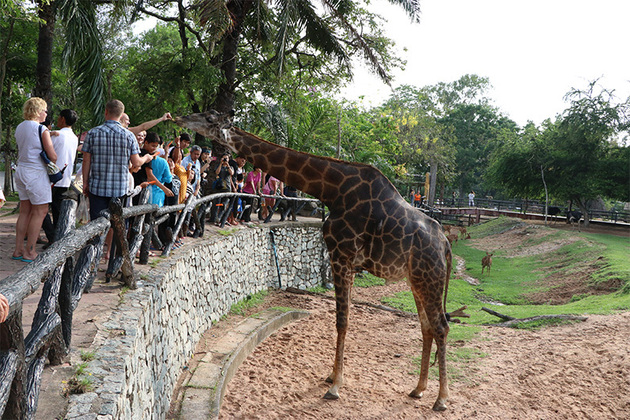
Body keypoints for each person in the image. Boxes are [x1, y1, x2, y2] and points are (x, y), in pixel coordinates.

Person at [82, 100, 153, 257]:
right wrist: (146, 158)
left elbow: (86, 160)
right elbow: (136, 162)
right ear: (121, 115)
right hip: (119, 189)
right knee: (117, 225)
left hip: (97, 187)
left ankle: (93, 256)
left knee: (96, 225)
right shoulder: (129, 136)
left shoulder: (93, 133)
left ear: (106, 112)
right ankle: (111, 256)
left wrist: (85, 183)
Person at [12, 97, 57, 263]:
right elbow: (52, 155)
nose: (46, 113)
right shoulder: (41, 129)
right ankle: (30, 251)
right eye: (44, 110)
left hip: (21, 170)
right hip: (36, 172)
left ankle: (18, 248)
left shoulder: (20, 127)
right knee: (40, 211)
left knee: (25, 210)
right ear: (38, 112)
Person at [42, 109, 79, 243]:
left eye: (58, 117)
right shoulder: (74, 138)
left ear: (63, 119)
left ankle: (52, 238)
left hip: (51, 177)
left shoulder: (57, 135)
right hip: (65, 178)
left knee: (42, 209)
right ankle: (57, 238)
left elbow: (46, 150)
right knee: (57, 210)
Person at [143, 133, 174, 206]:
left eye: (156, 147)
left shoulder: (142, 155)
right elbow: (168, 179)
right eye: (153, 146)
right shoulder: (148, 157)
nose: (154, 149)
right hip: (156, 194)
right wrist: (164, 188)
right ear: (146, 142)